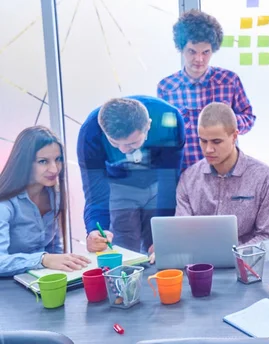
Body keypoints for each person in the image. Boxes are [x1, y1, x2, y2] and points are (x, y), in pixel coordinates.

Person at [78, 96, 185, 255]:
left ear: (148, 125)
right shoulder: (90, 132)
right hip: (119, 183)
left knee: (159, 245)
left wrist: (164, 233)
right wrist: (95, 228)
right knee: (123, 247)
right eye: (114, 143)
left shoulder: (170, 119)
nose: (123, 150)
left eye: (132, 143)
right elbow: (95, 190)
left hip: (157, 181)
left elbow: (169, 179)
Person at [158, 9, 256, 171]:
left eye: (206, 52)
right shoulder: (167, 88)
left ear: (213, 50)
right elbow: (167, 134)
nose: (199, 59)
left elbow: (249, 119)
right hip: (186, 174)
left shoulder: (229, 81)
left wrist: (225, 122)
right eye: (192, 52)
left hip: (226, 172)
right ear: (181, 49)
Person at [175, 102, 269, 248]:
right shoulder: (188, 178)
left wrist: (234, 256)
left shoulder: (265, 179)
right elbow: (182, 233)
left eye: (216, 142)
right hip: (201, 264)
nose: (208, 149)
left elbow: (268, 239)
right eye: (203, 141)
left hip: (248, 264)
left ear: (234, 136)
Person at [0, 126, 90, 277]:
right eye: (43, 161)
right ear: (24, 163)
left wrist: (70, 266)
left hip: (40, 280)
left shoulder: (55, 195)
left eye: (58, 159)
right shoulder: (5, 205)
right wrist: (43, 259)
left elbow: (53, 248)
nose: (54, 169)